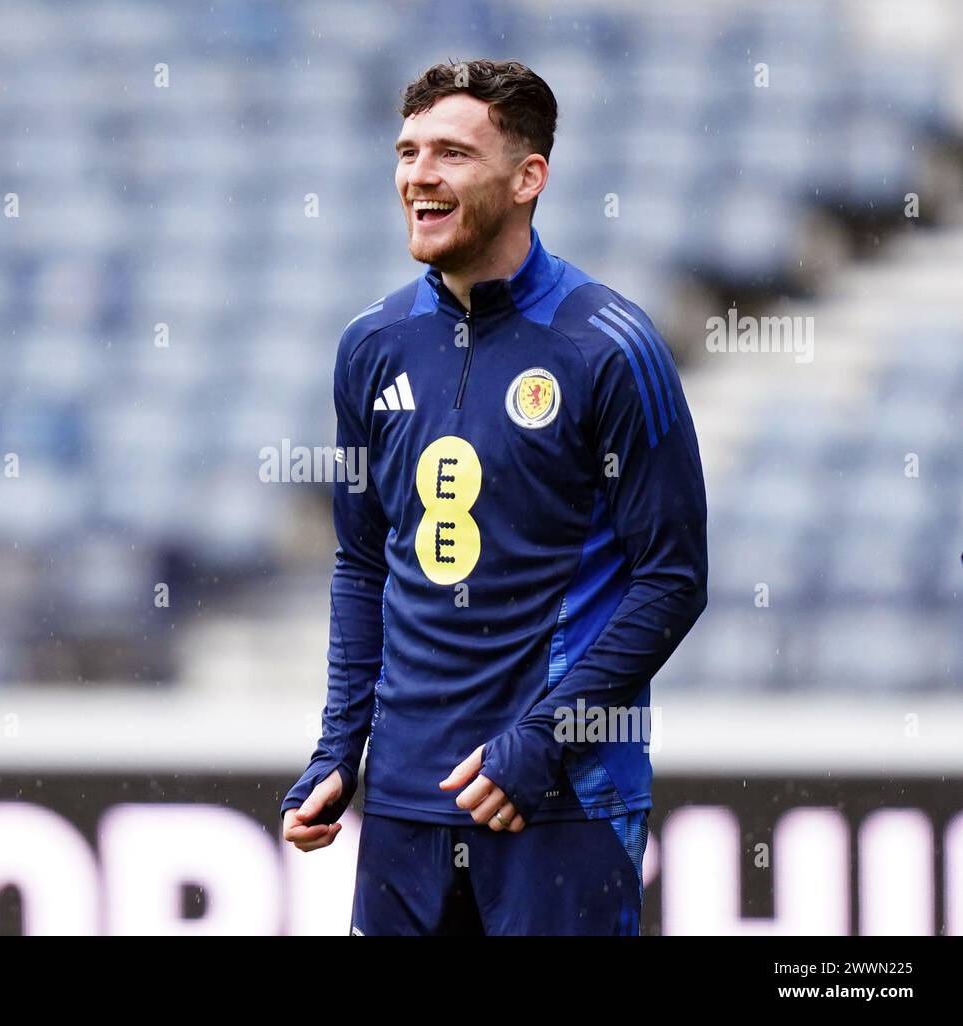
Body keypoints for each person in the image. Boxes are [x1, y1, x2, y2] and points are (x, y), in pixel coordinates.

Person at [280, 59, 708, 936]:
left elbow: (672, 579)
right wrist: (340, 748)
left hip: (559, 805)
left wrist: (544, 745)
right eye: (407, 151)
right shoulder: (372, 346)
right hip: (406, 805)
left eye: (450, 152)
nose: (419, 175)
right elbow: (363, 565)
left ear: (527, 178)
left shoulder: (609, 347)